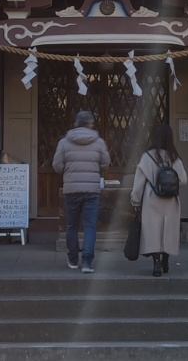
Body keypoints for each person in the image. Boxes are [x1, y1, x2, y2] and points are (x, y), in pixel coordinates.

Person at [52, 110, 110, 274]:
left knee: (71, 226)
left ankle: (72, 259)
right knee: (90, 226)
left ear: (75, 123)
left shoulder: (64, 142)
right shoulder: (99, 142)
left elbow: (57, 166)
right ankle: (87, 262)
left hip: (71, 190)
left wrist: (68, 170)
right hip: (91, 190)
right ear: (91, 124)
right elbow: (105, 163)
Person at [130, 122, 188, 277]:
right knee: (168, 230)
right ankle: (165, 260)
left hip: (152, 199)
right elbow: (183, 180)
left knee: (153, 231)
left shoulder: (147, 157)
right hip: (171, 200)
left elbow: (138, 183)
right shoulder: (174, 158)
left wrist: (136, 201)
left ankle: (156, 263)